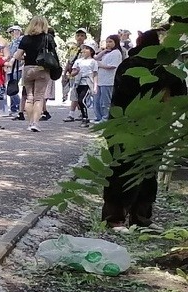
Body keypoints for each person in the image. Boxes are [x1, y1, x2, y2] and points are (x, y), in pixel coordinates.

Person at [102, 27, 187, 229]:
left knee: (145, 172)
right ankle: (116, 218)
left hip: (147, 128)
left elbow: (180, 96)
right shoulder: (136, 65)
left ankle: (139, 218)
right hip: (131, 126)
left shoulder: (163, 68)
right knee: (124, 170)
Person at [10, 15, 55, 132]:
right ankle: (35, 123)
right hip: (42, 69)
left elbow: (18, 55)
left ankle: (30, 123)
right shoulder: (48, 38)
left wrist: (26, 58)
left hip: (28, 69)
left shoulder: (25, 39)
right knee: (39, 97)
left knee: (29, 98)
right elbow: (53, 55)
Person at [93, 34, 124, 124]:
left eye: (110, 42)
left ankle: (105, 118)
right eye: (107, 42)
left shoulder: (116, 53)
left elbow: (112, 66)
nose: (108, 44)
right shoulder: (108, 53)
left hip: (108, 80)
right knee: (97, 100)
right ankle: (99, 117)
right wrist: (104, 50)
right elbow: (96, 58)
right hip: (101, 80)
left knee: (105, 101)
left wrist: (100, 65)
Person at [65, 44, 97, 123]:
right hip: (78, 83)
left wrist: (95, 86)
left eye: (87, 49)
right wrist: (75, 72)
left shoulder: (93, 62)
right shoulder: (78, 61)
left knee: (81, 100)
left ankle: (85, 118)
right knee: (79, 100)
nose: (84, 50)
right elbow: (73, 73)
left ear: (91, 51)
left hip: (87, 83)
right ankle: (83, 116)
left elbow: (95, 74)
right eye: (83, 49)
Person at [4, 24, 24, 118]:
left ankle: (20, 106)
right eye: (11, 32)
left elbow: (16, 52)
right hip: (10, 68)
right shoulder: (12, 42)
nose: (12, 33)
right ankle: (14, 108)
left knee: (13, 87)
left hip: (17, 67)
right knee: (11, 87)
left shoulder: (20, 40)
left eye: (14, 31)